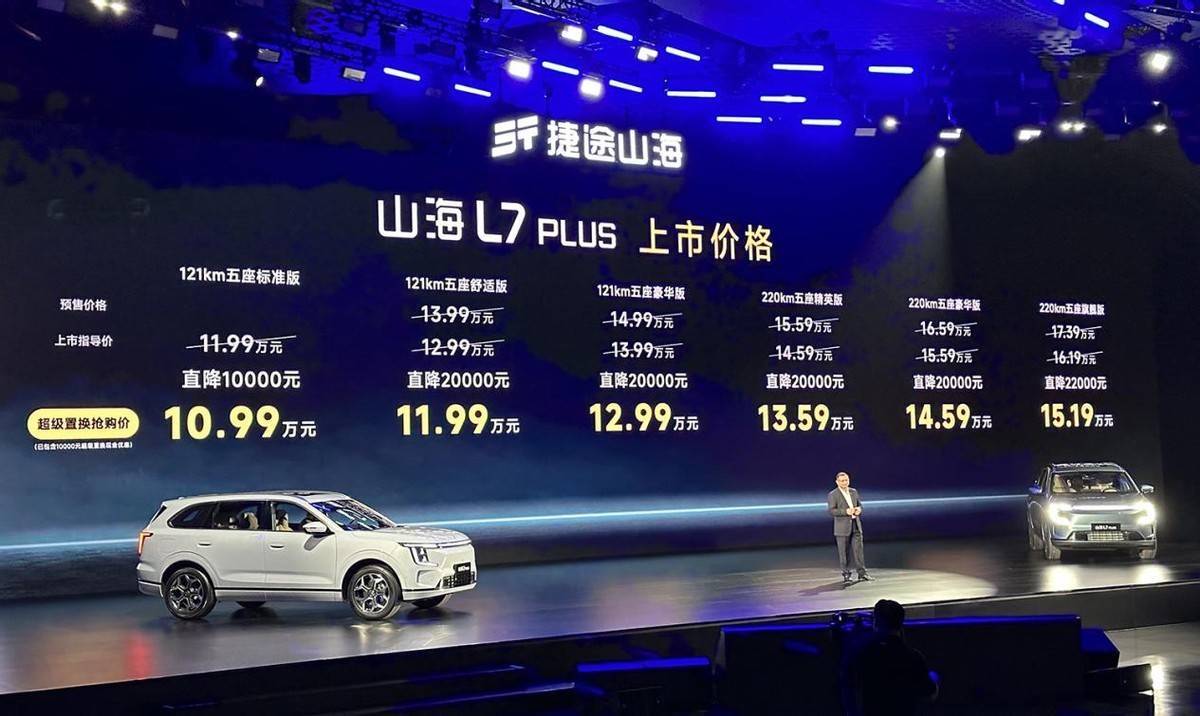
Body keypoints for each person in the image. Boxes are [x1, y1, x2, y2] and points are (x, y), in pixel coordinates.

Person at [841, 599, 939, 716]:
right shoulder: (913, 657)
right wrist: (933, 678)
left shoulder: (862, 654)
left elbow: (847, 685)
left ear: (875, 623)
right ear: (901, 624)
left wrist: (855, 635)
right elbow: (930, 695)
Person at [828, 471, 871, 584]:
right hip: (842, 528)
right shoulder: (833, 494)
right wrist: (846, 511)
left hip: (855, 524)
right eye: (842, 481)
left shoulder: (853, 491)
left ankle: (862, 574)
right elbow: (832, 511)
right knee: (844, 553)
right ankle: (846, 575)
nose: (844, 482)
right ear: (837, 482)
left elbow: (860, 505)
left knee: (859, 551)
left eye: (846, 480)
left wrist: (859, 509)